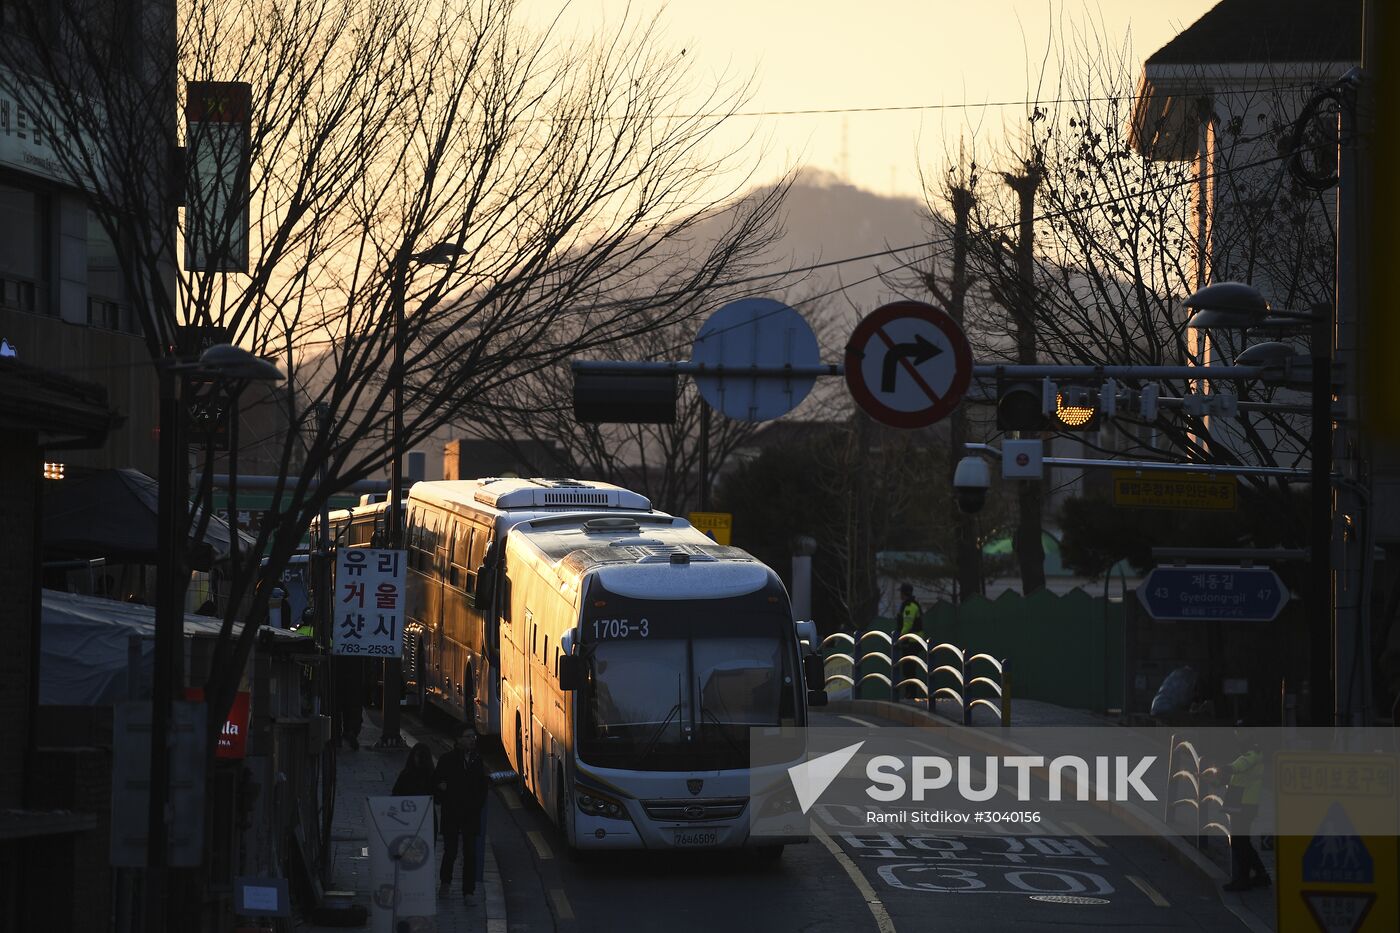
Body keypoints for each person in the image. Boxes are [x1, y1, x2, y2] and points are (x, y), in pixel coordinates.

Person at [433, 729, 489, 900]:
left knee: (470, 853)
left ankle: (468, 891)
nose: (472, 740)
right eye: (468, 737)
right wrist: (444, 792)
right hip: (451, 812)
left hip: (470, 814)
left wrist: (476, 806)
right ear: (458, 740)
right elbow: (437, 784)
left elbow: (482, 787)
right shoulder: (447, 760)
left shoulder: (477, 761)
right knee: (450, 851)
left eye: (473, 737)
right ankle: (445, 883)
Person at [1222, 723, 1270, 891]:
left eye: (1241, 732)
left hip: (1246, 804)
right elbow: (1237, 772)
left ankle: (1245, 878)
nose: (1238, 735)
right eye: (1237, 732)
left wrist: (1226, 769)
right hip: (1239, 802)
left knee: (1240, 842)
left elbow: (1241, 765)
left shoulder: (1254, 752)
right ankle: (1259, 874)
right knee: (1241, 841)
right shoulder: (1246, 751)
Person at [897, 583, 923, 701]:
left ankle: (911, 694)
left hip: (911, 641)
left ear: (904, 593)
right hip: (912, 641)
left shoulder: (909, 606)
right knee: (908, 668)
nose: (900, 595)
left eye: (901, 592)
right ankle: (910, 693)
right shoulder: (909, 605)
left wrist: (900, 638)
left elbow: (907, 625)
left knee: (909, 669)